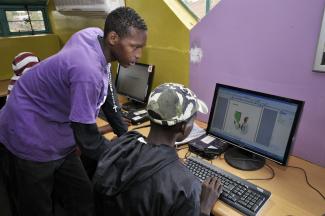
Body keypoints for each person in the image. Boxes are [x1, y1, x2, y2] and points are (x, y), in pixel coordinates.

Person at [0, 6, 147, 216]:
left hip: (56, 128)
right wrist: (125, 161)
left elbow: (108, 91)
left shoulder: (95, 36)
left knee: (83, 199)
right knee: (37, 207)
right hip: (28, 130)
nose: (139, 55)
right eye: (134, 47)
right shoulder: (87, 71)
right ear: (113, 38)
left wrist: (125, 135)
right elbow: (87, 138)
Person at [93, 83, 223, 216]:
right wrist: (204, 209)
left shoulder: (121, 144)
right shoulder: (186, 187)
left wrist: (170, 162)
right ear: (183, 127)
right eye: (193, 120)